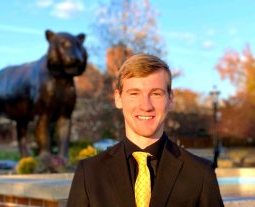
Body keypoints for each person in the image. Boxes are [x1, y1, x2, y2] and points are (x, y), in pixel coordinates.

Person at [67, 54, 224, 207]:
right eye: (134, 93)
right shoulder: (89, 173)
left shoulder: (200, 173)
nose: (146, 106)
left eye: (156, 93)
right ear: (118, 99)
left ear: (170, 99)